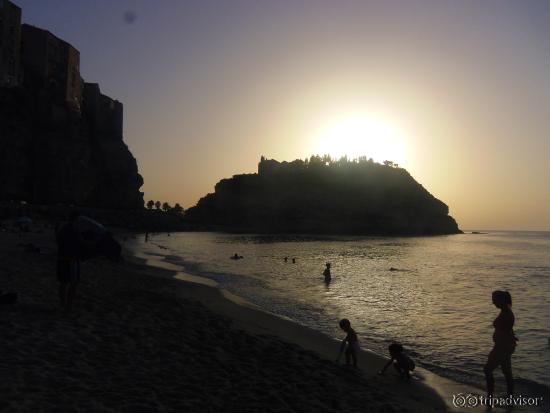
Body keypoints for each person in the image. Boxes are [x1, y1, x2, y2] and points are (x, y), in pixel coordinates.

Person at [484, 290, 517, 397]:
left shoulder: (507, 313)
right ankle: (509, 397)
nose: (493, 303)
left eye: (494, 300)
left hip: (502, 347)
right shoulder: (505, 311)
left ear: (501, 300)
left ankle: (490, 396)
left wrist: (508, 340)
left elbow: (506, 331)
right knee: (507, 372)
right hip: (505, 346)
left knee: (488, 369)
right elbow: (508, 331)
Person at [56, 211, 82, 313]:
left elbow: (58, 241)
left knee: (63, 283)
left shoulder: (63, 229)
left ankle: (63, 304)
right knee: (73, 283)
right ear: (76, 220)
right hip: (71, 260)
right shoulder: (74, 230)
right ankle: (68, 306)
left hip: (61, 258)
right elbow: (79, 243)